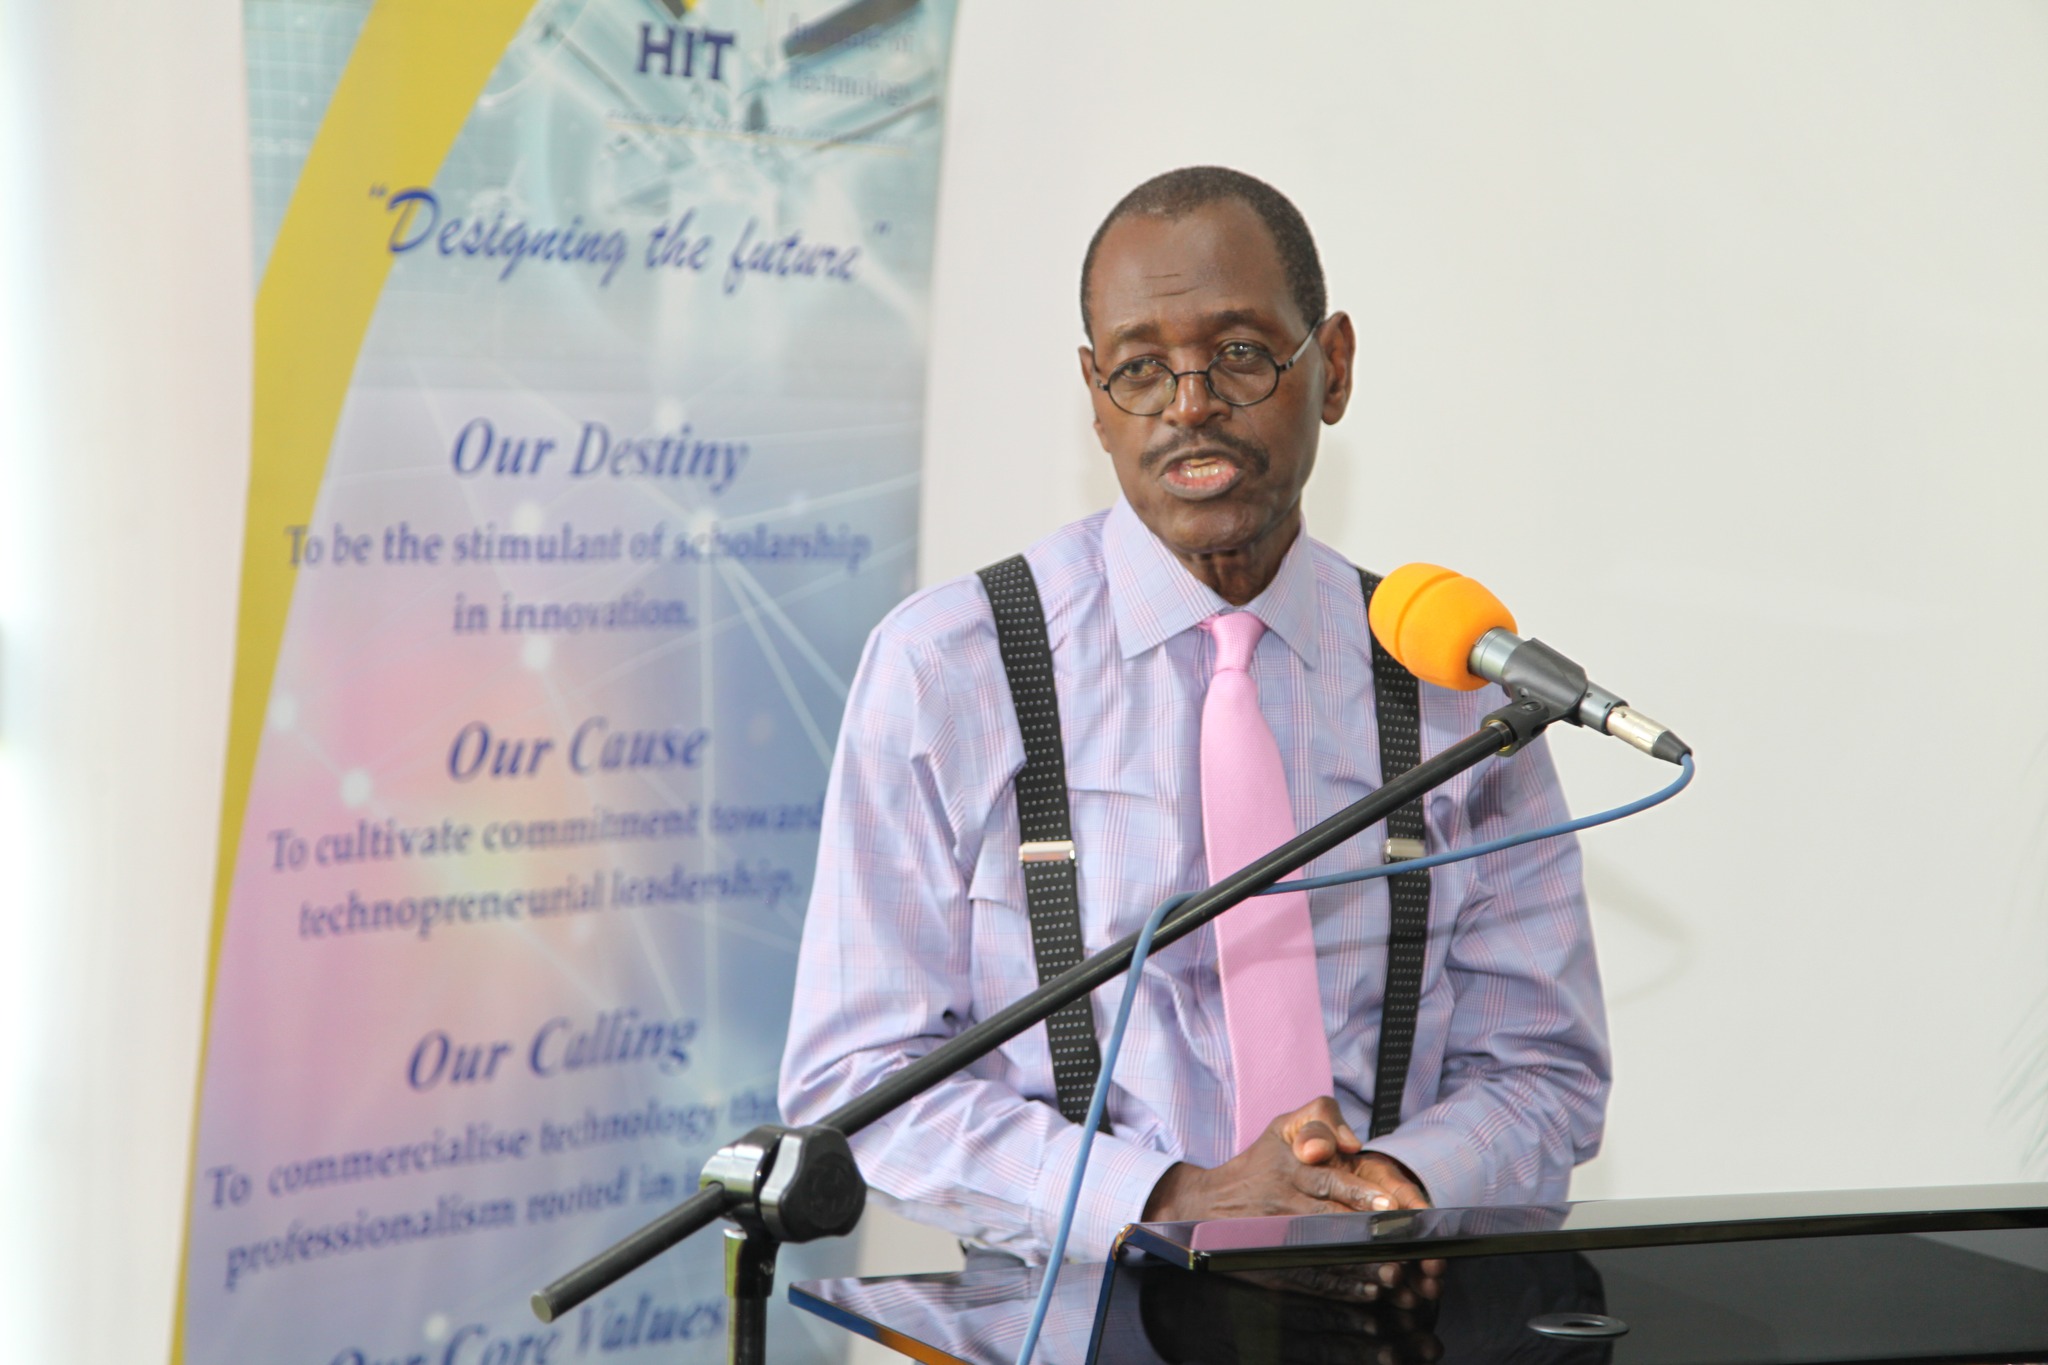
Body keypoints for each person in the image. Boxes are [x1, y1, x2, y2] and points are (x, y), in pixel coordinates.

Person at [778, 167, 1610, 1279]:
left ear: (1333, 367)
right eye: (1139, 369)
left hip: (1385, 1315)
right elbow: (858, 1081)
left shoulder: (1452, 678)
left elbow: (1545, 1069)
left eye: (1240, 354)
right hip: (1070, 1318)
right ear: (1094, 397)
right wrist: (1167, 1199)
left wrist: (1390, 1188)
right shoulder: (947, 667)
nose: (1188, 404)